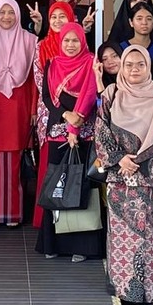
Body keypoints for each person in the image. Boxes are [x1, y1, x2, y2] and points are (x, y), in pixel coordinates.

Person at [96, 45, 153, 305]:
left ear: (148, 66)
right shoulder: (111, 94)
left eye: (140, 64)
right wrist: (120, 159)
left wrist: (136, 160)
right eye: (129, 64)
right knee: (121, 238)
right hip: (120, 178)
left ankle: (145, 295)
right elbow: (101, 130)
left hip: (150, 178)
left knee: (146, 238)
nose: (134, 70)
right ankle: (125, 293)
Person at [37, 24, 103, 262]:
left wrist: (75, 126)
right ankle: (53, 242)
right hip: (58, 131)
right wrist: (66, 116)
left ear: (83, 41)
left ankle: (82, 247)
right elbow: (46, 96)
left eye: (76, 40)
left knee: (81, 185)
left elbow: (89, 94)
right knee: (57, 183)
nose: (71, 45)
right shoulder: (52, 64)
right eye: (67, 41)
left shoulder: (90, 62)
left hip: (84, 132)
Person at [0, 0, 38, 228]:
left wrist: (34, 109)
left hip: (19, 106)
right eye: (2, 12)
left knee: (15, 160)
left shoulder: (30, 41)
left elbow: (37, 80)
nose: (6, 17)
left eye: (11, 12)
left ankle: (14, 213)